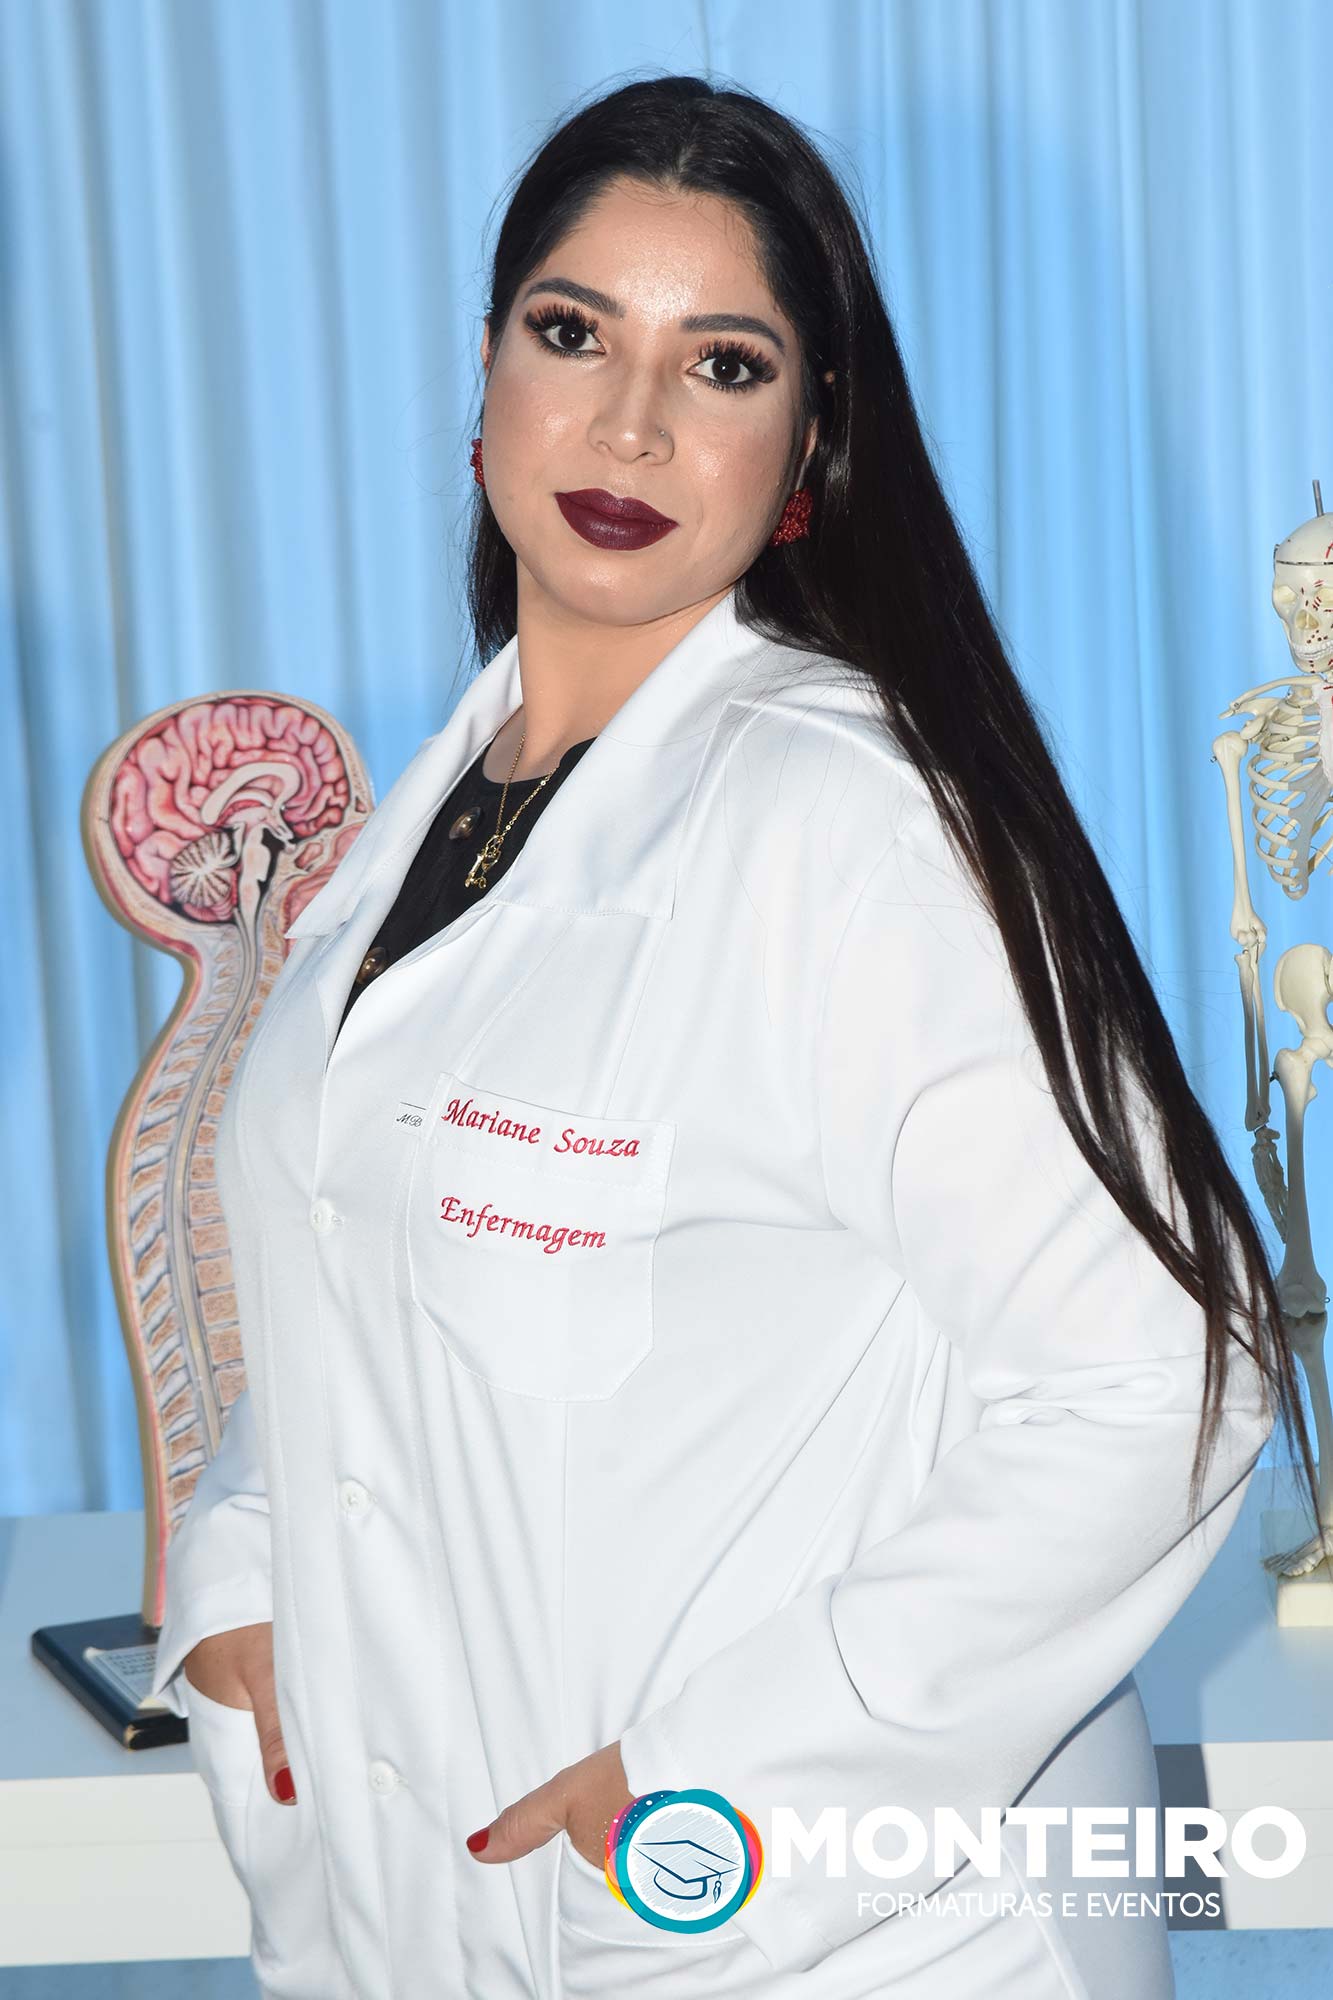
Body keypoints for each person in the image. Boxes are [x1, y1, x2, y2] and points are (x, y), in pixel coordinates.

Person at [149, 73, 1317, 2000]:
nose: (628, 423)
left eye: (721, 364)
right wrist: (245, 1575)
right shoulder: (431, 824)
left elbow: (1163, 1380)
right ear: (485, 375)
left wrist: (722, 1788)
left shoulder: (850, 829)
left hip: (810, 1937)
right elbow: (358, 1259)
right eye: (572, 333)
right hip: (425, 1907)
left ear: (806, 448)